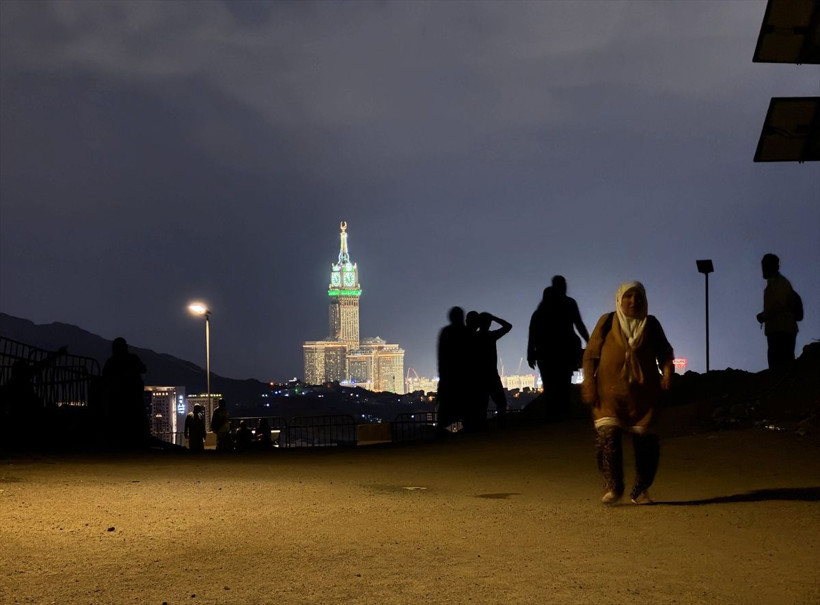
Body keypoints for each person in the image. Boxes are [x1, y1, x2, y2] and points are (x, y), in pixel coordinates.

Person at [581, 282, 674, 505]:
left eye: (638, 297)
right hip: (609, 395)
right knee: (607, 439)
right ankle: (614, 486)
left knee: (647, 445)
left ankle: (640, 490)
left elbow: (665, 353)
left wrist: (668, 374)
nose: (633, 301)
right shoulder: (607, 322)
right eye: (628, 297)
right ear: (619, 299)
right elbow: (590, 355)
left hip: (643, 396)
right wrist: (589, 384)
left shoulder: (651, 324)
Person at [527, 276, 590, 420]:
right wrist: (589, 341)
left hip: (546, 352)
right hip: (566, 350)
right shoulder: (569, 303)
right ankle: (563, 413)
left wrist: (530, 352)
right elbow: (578, 324)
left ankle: (554, 414)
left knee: (550, 384)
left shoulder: (540, 312)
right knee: (564, 382)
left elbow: (532, 334)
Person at [102, 337, 148, 448]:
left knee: (120, 421)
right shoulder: (132, 359)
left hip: (119, 397)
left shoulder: (111, 361)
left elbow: (105, 377)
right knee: (134, 421)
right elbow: (143, 369)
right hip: (132, 396)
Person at [756, 253, 800, 370]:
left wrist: (764, 315)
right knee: (780, 368)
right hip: (778, 330)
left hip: (782, 331)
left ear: (774, 267)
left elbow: (779, 306)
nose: (763, 269)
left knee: (781, 368)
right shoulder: (774, 284)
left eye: (766, 265)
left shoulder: (779, 283)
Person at [470, 312, 512, 431]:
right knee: (501, 403)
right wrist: (494, 317)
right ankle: (501, 427)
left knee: (482, 406)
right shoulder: (491, 336)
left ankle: (482, 430)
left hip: (479, 377)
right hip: (492, 375)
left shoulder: (474, 337)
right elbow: (508, 326)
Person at [436, 306, 468, 435]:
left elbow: (441, 356)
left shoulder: (446, 332)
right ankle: (458, 432)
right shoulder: (466, 332)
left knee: (446, 410)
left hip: (449, 378)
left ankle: (444, 434)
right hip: (463, 378)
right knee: (463, 410)